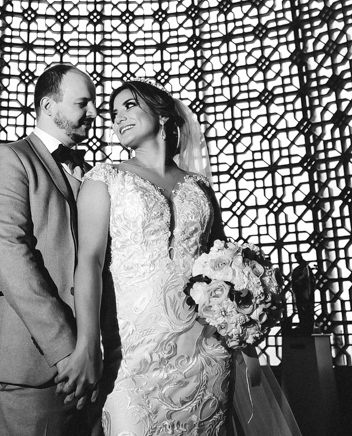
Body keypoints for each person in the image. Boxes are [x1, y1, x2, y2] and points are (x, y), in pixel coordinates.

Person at [69, 80, 231, 436]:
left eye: (129, 106)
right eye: (113, 113)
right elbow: (89, 263)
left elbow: (222, 263)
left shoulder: (200, 187)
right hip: (132, 357)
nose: (118, 118)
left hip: (206, 353)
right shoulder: (104, 179)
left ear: (162, 115)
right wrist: (87, 343)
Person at [0, 64, 101, 436]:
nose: (94, 112)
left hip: (90, 366)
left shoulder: (93, 174)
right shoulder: (9, 157)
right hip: (29, 366)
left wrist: (92, 349)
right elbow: (12, 257)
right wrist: (66, 349)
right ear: (48, 106)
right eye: (83, 103)